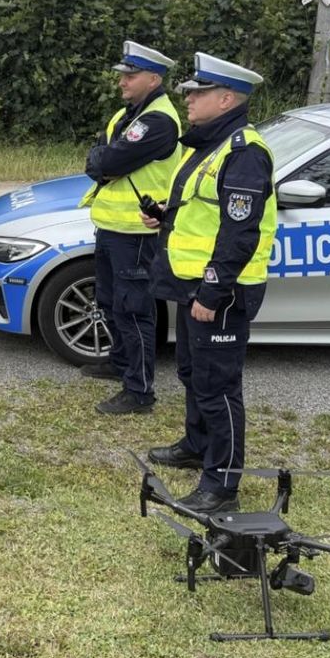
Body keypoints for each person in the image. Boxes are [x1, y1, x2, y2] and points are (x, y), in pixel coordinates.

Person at [143, 53, 278, 515]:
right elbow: (205, 210)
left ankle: (222, 483)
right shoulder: (209, 143)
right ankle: (196, 446)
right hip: (194, 285)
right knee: (192, 373)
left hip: (221, 291)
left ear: (226, 99)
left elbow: (240, 232)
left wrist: (212, 292)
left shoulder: (244, 152)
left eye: (197, 94)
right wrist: (164, 217)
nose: (189, 101)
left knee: (218, 386)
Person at [79, 41, 182, 415]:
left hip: (136, 232)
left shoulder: (157, 121)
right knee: (109, 302)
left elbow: (110, 159)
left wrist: (104, 158)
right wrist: (103, 158)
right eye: (123, 74)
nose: (122, 81)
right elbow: (100, 157)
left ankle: (139, 392)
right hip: (112, 227)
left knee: (133, 309)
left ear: (153, 79)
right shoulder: (131, 114)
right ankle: (119, 362)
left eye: (131, 75)